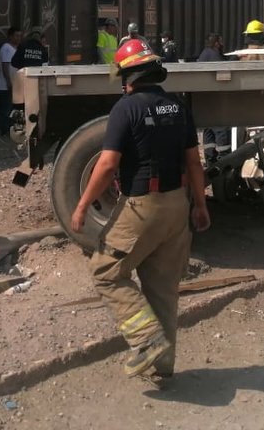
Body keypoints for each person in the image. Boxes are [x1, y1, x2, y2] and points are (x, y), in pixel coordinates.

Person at [71, 39, 210, 384]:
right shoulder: (178, 106)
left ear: (127, 76)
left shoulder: (126, 108)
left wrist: (82, 205)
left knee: (105, 271)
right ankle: (161, 367)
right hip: (177, 206)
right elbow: (194, 162)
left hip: (142, 207)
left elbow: (107, 165)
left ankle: (147, 341)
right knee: (162, 288)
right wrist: (200, 204)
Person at [10, 26, 50, 125]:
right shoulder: (42, 49)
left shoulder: (23, 46)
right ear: (40, 37)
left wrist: (23, 65)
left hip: (23, 81)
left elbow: (14, 62)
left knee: (20, 105)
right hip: (37, 83)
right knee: (36, 105)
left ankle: (20, 123)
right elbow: (45, 66)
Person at [0, 27, 22, 136]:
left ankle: (8, 129)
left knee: (9, 109)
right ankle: (5, 131)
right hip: (5, 85)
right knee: (6, 109)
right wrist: (8, 81)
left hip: (11, 85)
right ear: (10, 36)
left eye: (20, 36)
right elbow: (5, 66)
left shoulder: (14, 49)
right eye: (16, 36)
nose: (18, 38)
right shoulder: (6, 48)